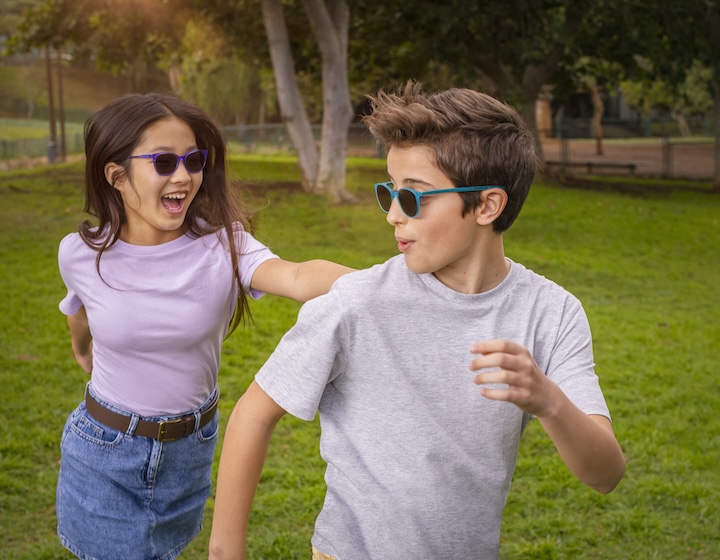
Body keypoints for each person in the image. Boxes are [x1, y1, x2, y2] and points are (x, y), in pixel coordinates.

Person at [208, 82, 626, 560]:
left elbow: (606, 473)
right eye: (389, 192)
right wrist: (225, 553)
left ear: (487, 205)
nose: (392, 215)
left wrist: (550, 401)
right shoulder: (357, 302)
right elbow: (253, 414)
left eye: (414, 196)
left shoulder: (552, 313)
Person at [56, 92, 353, 560]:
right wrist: (82, 346)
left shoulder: (224, 247)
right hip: (104, 452)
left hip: (190, 451)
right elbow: (77, 307)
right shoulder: (80, 252)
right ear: (116, 175)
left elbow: (297, 276)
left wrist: (381, 284)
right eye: (164, 161)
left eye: (193, 160)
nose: (184, 176)